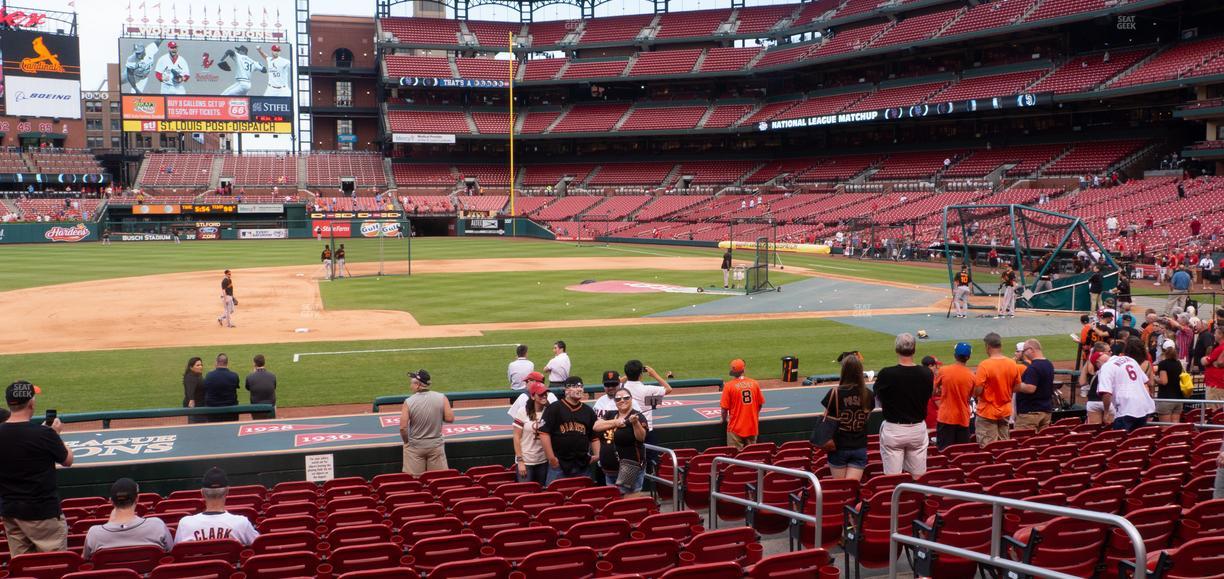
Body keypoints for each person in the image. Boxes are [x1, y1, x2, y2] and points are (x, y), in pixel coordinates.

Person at [0, 381, 73, 556]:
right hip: (43, 513)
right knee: (52, 565)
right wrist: (55, 434)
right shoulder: (45, 434)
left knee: (23, 566)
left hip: (11, 512)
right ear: (31, 403)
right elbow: (67, 460)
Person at [873, 333, 933, 477]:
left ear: (896, 349)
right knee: (918, 477)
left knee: (893, 478)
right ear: (914, 349)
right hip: (916, 429)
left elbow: (878, 398)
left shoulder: (887, 374)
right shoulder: (926, 373)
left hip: (895, 429)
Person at [83, 478, 174, 560]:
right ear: (137, 499)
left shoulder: (94, 533)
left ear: (111, 501)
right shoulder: (157, 525)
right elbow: (171, 554)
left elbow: (85, 562)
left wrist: (109, 524)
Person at [174, 467, 259, 545]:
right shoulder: (241, 523)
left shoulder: (185, 524)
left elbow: (176, 553)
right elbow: (259, 546)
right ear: (227, 491)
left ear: (202, 493)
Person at [821, 355, 874, 480]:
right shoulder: (868, 394)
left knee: (841, 488)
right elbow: (866, 419)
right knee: (851, 488)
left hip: (838, 447)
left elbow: (825, 419)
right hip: (859, 446)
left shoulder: (835, 393)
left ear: (843, 371)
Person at [539, 377, 600, 484]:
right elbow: (544, 433)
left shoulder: (588, 411)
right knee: (555, 493)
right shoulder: (554, 408)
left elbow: (594, 437)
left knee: (583, 493)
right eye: (575, 386)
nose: (579, 389)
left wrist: (597, 455)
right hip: (559, 465)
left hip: (583, 465)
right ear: (566, 390)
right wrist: (551, 458)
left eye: (581, 386)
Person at [399, 369, 455, 475]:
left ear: (418, 385)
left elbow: (403, 427)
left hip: (415, 447)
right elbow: (450, 418)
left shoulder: (409, 402)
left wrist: (406, 442)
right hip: (436, 446)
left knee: (415, 480)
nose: (410, 386)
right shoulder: (441, 397)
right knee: (438, 479)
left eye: (412, 383)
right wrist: (436, 414)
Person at [594, 387, 648, 494]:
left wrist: (635, 423)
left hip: (628, 469)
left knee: (627, 500)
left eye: (626, 398)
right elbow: (596, 427)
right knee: (614, 499)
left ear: (631, 399)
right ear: (615, 401)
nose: (622, 400)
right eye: (618, 399)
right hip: (609, 470)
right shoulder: (610, 414)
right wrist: (616, 422)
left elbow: (641, 438)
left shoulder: (638, 416)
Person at [973, 333, 1024, 445]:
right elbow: (1018, 387)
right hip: (1005, 411)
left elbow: (978, 391)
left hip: (987, 412)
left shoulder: (984, 365)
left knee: (988, 447)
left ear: (988, 346)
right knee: (1003, 446)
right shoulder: (1011, 363)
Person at [1098, 337, 1156, 432]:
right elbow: (1146, 384)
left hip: (1126, 409)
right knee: (1137, 438)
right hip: (1143, 408)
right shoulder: (1131, 361)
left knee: (1120, 439)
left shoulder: (1107, 366)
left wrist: (1106, 412)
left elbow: (1106, 393)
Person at [935, 343, 976, 449]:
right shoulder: (972, 376)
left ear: (955, 355)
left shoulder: (943, 370)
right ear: (968, 357)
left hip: (946, 417)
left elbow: (933, 391)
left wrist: (942, 391)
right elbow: (971, 396)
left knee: (944, 451)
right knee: (961, 452)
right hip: (963, 417)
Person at [511, 382, 551, 484]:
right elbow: (516, 437)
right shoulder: (523, 412)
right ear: (533, 396)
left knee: (543, 491)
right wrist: (520, 461)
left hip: (543, 461)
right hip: (526, 462)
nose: (544, 396)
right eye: (541, 394)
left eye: (545, 393)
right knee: (526, 491)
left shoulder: (550, 411)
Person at [720, 359, 764, 450]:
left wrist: (724, 420)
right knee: (751, 455)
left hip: (735, 428)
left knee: (735, 456)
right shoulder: (754, 383)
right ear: (744, 370)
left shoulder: (728, 386)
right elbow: (760, 404)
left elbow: (724, 409)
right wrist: (753, 415)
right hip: (752, 426)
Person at [1015, 339, 1055, 432]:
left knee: (1024, 440)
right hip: (1046, 410)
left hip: (1030, 413)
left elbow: (1030, 388)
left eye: (1025, 350)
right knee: (1041, 439)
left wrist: (1015, 386)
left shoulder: (1034, 367)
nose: (1024, 353)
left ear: (1031, 349)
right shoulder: (1048, 364)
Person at [1154, 339, 1185, 423]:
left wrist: (1154, 378)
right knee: (1174, 427)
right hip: (1178, 398)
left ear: (1163, 350)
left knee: (1166, 427)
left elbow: (1164, 381)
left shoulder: (1163, 364)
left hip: (1166, 398)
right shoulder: (1178, 363)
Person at [203, 354, 240, 422]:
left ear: (216, 362)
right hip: (231, 410)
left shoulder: (209, 375)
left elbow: (206, 388)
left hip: (213, 411)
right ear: (227, 363)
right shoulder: (234, 376)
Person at [1081, 345, 1113, 424]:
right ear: (1102, 353)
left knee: (1094, 429)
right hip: (1109, 401)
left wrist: (1088, 360)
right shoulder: (1112, 366)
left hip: (1093, 401)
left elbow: (1082, 382)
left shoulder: (1090, 364)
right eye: (1109, 351)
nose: (1111, 352)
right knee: (1111, 429)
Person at [245, 354, 277, 420]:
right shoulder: (272, 376)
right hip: (270, 406)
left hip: (256, 407)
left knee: (257, 423)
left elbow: (248, 388)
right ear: (264, 363)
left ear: (254, 364)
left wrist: (254, 374)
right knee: (270, 424)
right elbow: (274, 387)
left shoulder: (249, 377)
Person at [182, 357, 207, 424]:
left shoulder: (197, 375)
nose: (200, 367)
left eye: (201, 365)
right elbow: (190, 389)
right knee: (195, 425)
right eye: (197, 365)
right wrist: (191, 400)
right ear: (191, 367)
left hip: (200, 405)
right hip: (195, 407)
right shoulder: (191, 377)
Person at [1203, 325, 1224, 401]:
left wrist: (1204, 359)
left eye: (1216, 333)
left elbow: (1205, 362)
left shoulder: (1220, 348)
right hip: (1217, 385)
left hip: (1215, 385)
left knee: (1213, 407)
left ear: (1221, 335)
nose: (1214, 335)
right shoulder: (1219, 347)